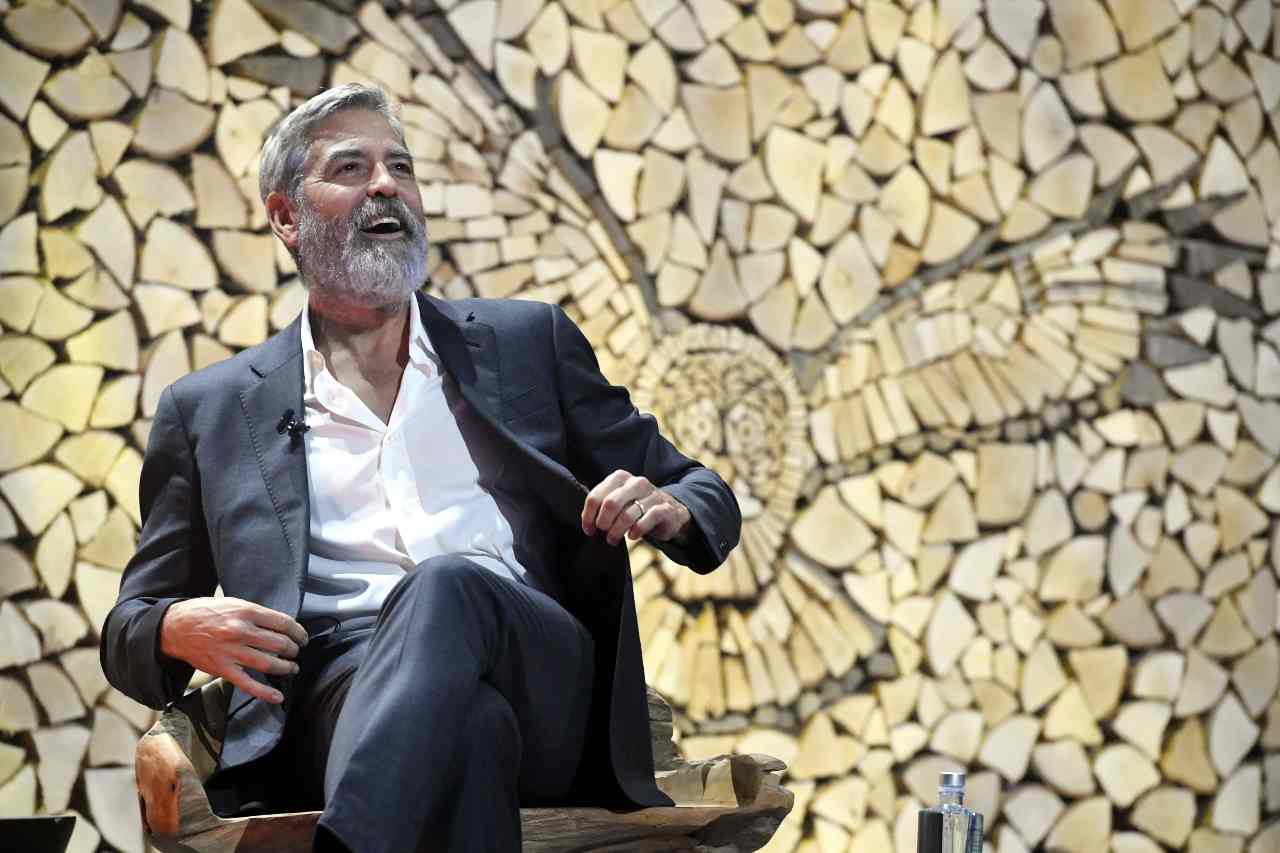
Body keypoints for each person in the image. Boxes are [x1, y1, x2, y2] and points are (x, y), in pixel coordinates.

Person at [100, 84, 740, 853]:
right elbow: (129, 625)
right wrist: (173, 627)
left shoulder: (526, 342)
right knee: (470, 730)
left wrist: (673, 507)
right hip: (341, 688)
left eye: (399, 166)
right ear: (285, 216)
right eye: (352, 167)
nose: (386, 184)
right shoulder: (209, 409)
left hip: (539, 671)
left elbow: (704, 491)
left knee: (447, 585)